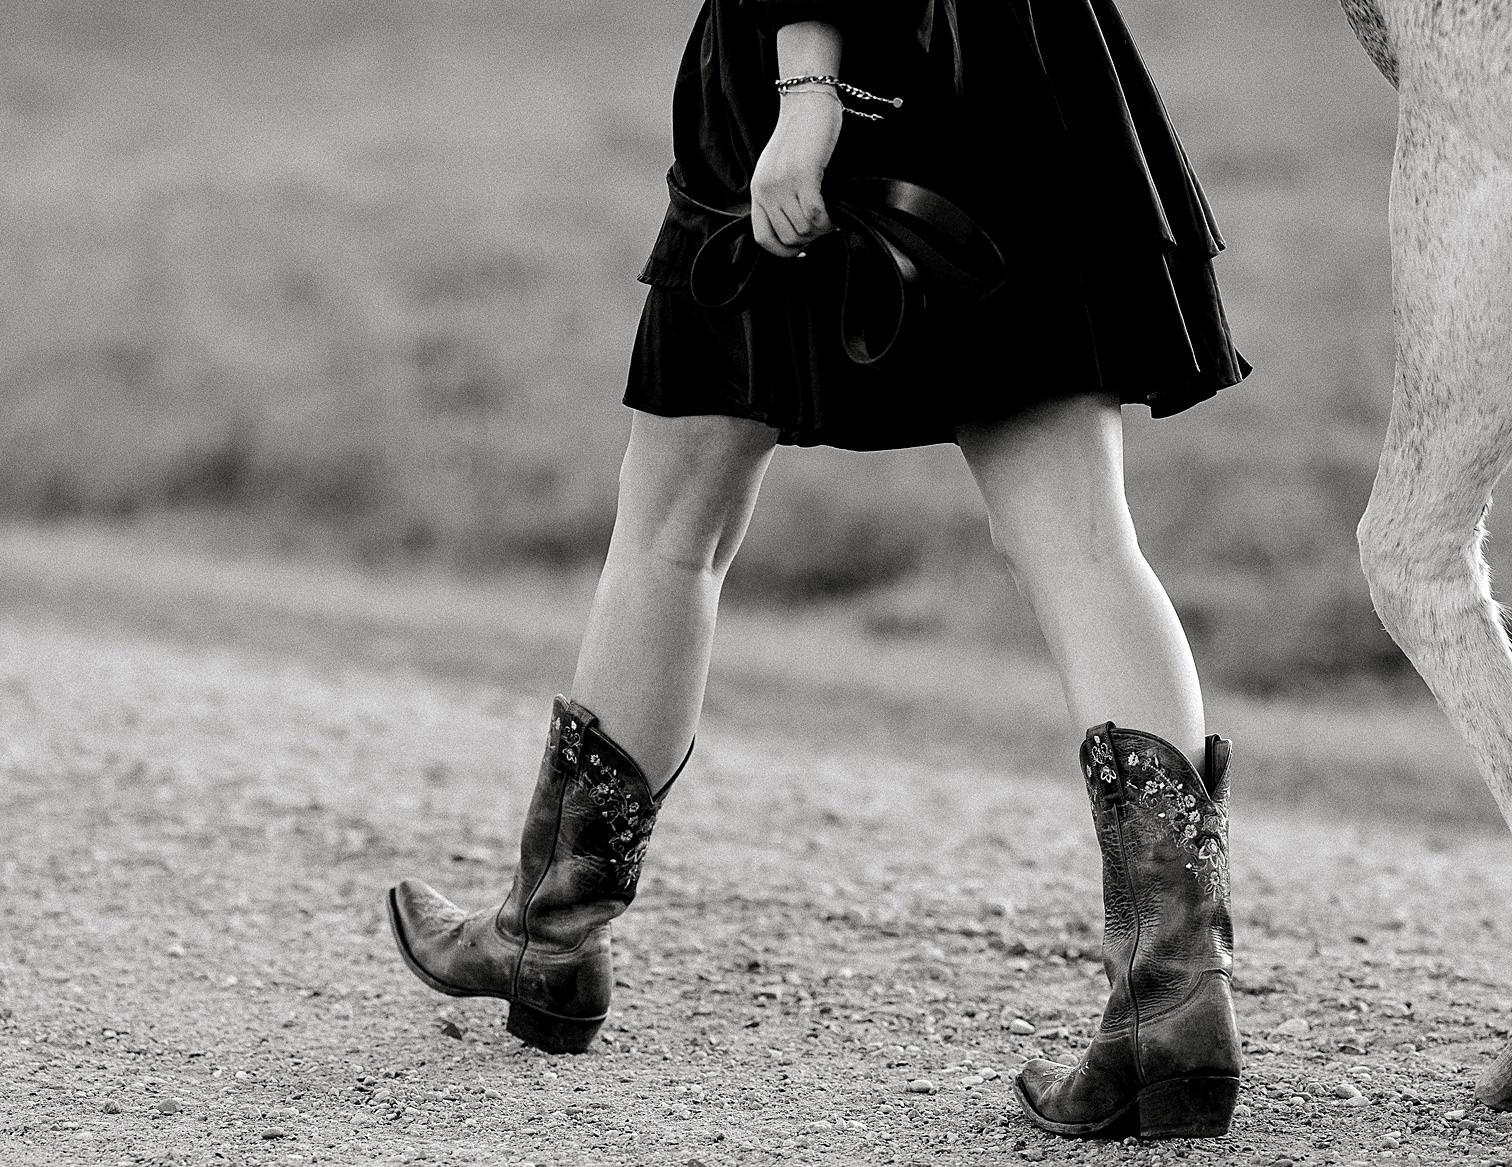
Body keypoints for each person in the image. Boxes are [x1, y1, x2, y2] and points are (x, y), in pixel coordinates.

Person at [388, 0, 1248, 1142]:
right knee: (1086, 541)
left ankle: (550, 932)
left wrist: (807, 87)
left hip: (841, 68)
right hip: (1020, 66)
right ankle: (1175, 1005)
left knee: (671, 532)